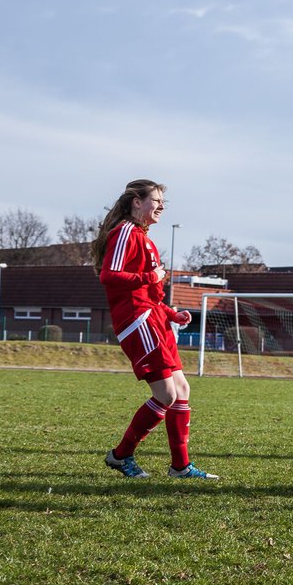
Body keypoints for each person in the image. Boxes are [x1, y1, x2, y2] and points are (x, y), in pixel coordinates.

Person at [91, 180, 218, 479]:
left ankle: (180, 467)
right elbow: (109, 276)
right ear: (137, 202)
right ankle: (121, 456)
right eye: (156, 200)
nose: (161, 206)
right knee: (166, 394)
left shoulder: (144, 238)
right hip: (138, 321)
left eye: (163, 202)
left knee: (182, 390)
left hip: (155, 319)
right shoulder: (125, 232)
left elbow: (149, 292)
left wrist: (172, 314)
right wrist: (150, 276)